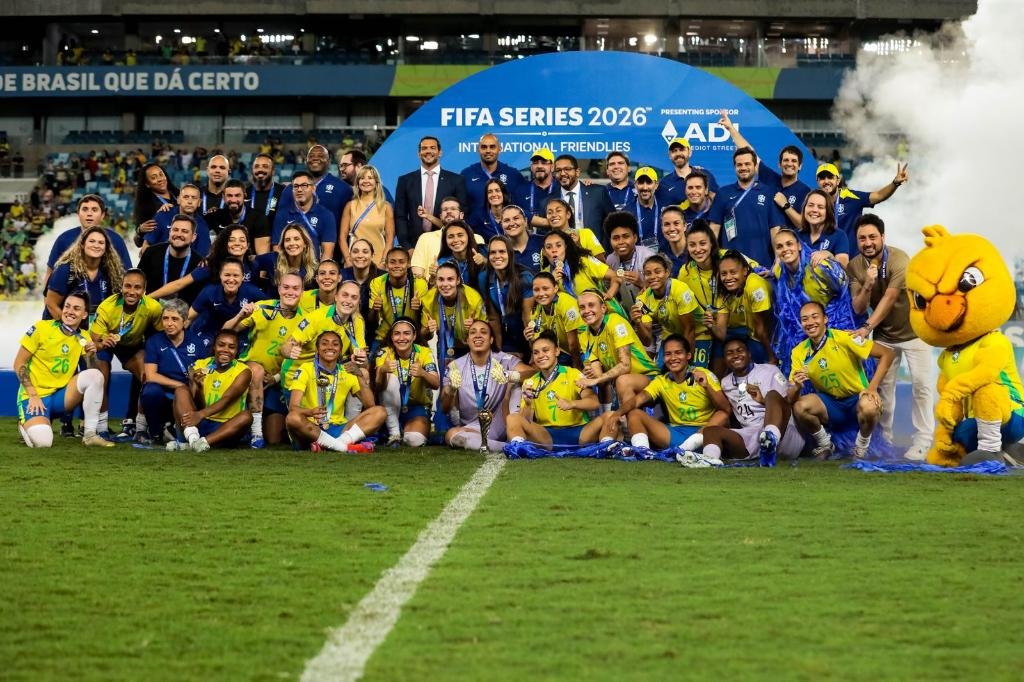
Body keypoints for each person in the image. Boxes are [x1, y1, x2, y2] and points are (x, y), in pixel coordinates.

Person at [848, 214, 935, 460]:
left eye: (872, 237)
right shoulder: (854, 266)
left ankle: (923, 441)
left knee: (922, 385)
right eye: (862, 238)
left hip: (915, 332)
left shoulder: (899, 259)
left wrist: (867, 327)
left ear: (883, 237)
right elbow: (858, 307)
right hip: (885, 335)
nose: (868, 243)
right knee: (884, 389)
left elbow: (889, 298)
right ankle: (884, 440)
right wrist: (867, 284)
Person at [788, 301, 895, 459]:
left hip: (856, 401)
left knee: (870, 405)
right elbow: (791, 399)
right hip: (831, 405)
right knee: (799, 407)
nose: (810, 322)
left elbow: (888, 354)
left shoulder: (846, 338)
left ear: (825, 319)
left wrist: (872, 388)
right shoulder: (798, 352)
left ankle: (861, 447)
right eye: (805, 319)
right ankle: (825, 444)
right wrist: (797, 387)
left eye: (815, 317)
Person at [15, 291, 113, 448]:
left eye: (76, 308)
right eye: (67, 306)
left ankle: (89, 434)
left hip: (61, 397)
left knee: (96, 375)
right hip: (34, 397)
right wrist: (33, 395)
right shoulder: (41, 328)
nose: (70, 311)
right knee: (44, 442)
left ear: (84, 315)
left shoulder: (83, 336)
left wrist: (91, 355)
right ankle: (24, 423)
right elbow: (19, 363)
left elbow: (94, 374)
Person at [224, 272, 309, 448]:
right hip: (249, 370)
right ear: (279, 289)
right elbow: (225, 332)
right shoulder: (262, 308)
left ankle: (255, 428)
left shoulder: (306, 320)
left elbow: (304, 358)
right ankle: (256, 433)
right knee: (257, 370)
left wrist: (275, 378)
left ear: (302, 292)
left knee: (274, 438)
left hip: (277, 380)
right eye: (286, 287)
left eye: (295, 288)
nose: (290, 292)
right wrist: (240, 315)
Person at [604, 335, 730, 451]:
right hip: (676, 432)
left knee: (722, 415)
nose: (673, 358)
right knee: (634, 413)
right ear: (664, 358)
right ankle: (643, 452)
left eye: (678, 353)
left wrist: (707, 386)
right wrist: (617, 413)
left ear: (688, 356)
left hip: (705, 434)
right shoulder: (661, 381)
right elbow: (637, 400)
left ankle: (688, 447)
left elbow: (726, 409)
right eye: (668, 354)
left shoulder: (704, 374)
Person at [700, 336, 806, 464]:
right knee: (710, 431)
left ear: (749, 354)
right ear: (725, 359)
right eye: (729, 353)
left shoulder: (770, 370)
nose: (735, 355)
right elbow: (725, 409)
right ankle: (708, 462)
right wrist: (707, 386)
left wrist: (762, 400)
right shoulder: (726, 383)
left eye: (740, 350)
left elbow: (788, 403)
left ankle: (770, 441)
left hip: (784, 435)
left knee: (772, 395)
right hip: (753, 438)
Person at [770, 227, 856, 378]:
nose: (785, 249)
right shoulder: (779, 271)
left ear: (799, 245)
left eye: (789, 244)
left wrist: (830, 323)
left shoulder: (820, 267)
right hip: (803, 332)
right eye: (779, 246)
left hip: (831, 328)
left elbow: (844, 291)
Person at [88, 268, 163, 441]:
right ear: (121, 287)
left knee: (146, 375)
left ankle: (141, 428)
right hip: (105, 343)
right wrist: (103, 341)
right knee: (100, 377)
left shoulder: (153, 307)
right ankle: (101, 428)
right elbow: (94, 342)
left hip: (132, 346)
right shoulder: (107, 307)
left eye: (137, 287)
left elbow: (161, 336)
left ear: (144, 290)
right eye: (127, 286)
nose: (132, 291)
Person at [442, 319, 534, 451]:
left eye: (483, 332)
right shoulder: (455, 366)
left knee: (516, 384)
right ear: (467, 340)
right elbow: (445, 408)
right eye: (473, 332)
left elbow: (532, 372)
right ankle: (510, 447)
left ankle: (515, 432)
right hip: (474, 427)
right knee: (452, 435)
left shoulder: (503, 359)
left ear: (491, 340)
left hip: (503, 420)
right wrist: (450, 390)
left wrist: (510, 375)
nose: (478, 335)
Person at [285, 330, 384, 452]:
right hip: (312, 428)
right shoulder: (306, 369)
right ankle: (344, 447)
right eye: (324, 343)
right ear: (317, 349)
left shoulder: (347, 371)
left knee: (380, 412)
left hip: (338, 428)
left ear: (340, 350)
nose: (330, 347)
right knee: (292, 418)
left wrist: (359, 375)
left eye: (335, 344)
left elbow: (370, 405)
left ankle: (330, 445)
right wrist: (310, 412)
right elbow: (293, 408)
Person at [506, 331, 609, 448]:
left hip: (580, 433)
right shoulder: (530, 382)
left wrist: (572, 403)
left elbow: (594, 402)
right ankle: (519, 449)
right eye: (536, 352)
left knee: (610, 416)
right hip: (546, 436)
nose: (540, 355)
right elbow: (525, 421)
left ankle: (607, 448)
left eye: (545, 350)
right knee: (512, 418)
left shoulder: (573, 374)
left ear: (557, 351)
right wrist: (528, 404)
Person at [718, 110, 809, 229]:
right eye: (786, 160)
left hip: (788, 240)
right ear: (779, 164)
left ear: (800, 166)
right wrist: (731, 128)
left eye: (794, 161)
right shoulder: (770, 177)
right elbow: (750, 153)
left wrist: (786, 205)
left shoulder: (805, 191)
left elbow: (803, 225)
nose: (789, 164)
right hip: (765, 238)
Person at [139, 298, 212, 445]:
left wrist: (190, 388)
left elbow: (204, 374)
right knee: (149, 391)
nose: (169, 323)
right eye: (165, 318)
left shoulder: (197, 343)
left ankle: (188, 431)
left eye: (174, 319)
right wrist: (179, 385)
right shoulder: (154, 341)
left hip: (190, 394)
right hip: (164, 391)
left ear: (184, 321)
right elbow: (151, 375)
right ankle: (156, 433)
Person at [167, 329, 253, 452]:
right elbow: (198, 405)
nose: (226, 350)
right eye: (221, 345)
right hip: (200, 422)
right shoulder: (199, 365)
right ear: (214, 347)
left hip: (224, 428)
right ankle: (191, 439)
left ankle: (201, 443)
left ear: (236, 351)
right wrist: (199, 388)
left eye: (231, 347)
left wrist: (200, 414)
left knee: (246, 416)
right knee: (181, 390)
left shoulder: (244, 371)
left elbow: (227, 399)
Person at [576, 290, 659, 411]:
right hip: (621, 385)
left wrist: (596, 379)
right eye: (582, 307)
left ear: (603, 308)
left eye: (591, 305)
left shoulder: (615, 322)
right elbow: (599, 376)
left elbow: (625, 366)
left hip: (648, 377)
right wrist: (590, 375)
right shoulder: (584, 336)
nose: (586, 310)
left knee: (622, 380)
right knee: (612, 408)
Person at [708, 146, 788, 267]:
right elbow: (714, 229)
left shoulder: (769, 192)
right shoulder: (723, 193)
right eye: (739, 165)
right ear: (735, 167)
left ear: (755, 166)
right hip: (730, 267)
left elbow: (775, 230)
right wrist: (712, 259)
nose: (743, 168)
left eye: (747, 164)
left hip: (762, 266)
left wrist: (778, 260)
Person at [815, 162, 908, 254]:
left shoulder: (851, 197)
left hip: (853, 259)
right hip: (826, 258)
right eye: (822, 178)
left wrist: (895, 183)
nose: (826, 181)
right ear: (818, 182)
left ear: (838, 180)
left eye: (830, 177)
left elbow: (879, 196)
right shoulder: (813, 203)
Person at [394, 136, 469, 250]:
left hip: (447, 245)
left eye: (432, 148)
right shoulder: (405, 181)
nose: (428, 151)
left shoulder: (456, 180)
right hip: (414, 246)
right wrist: (407, 247)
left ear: (440, 153)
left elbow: (462, 214)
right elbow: (400, 216)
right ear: (419, 154)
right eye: (424, 148)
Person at [375, 317, 439, 447]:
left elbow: (436, 383)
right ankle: (394, 431)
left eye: (406, 333)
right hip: (391, 408)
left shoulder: (424, 352)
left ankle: (403, 431)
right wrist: (382, 370)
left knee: (414, 440)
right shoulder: (384, 352)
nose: (401, 338)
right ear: (392, 336)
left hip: (416, 408)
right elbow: (378, 387)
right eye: (397, 333)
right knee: (390, 377)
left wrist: (423, 373)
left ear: (414, 336)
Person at [147, 224, 255, 300]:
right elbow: (179, 284)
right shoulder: (211, 265)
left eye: (242, 240)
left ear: (248, 245)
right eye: (231, 240)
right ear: (225, 244)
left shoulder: (254, 263)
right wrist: (146, 298)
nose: (237, 243)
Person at [45, 195, 132, 286]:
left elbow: (128, 274)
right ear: (78, 214)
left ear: (102, 215)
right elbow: (50, 273)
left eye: (94, 210)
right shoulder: (63, 239)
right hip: (70, 293)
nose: (89, 213)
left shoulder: (116, 240)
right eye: (85, 209)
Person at [45, 226, 125, 322]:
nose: (96, 245)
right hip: (63, 325)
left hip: (95, 326)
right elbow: (51, 304)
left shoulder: (111, 272)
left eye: (101, 243)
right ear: (82, 244)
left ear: (106, 248)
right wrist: (69, 328)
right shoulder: (65, 269)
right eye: (92, 241)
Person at [675, 221, 725, 369]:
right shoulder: (685, 272)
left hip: (731, 327)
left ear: (712, 244)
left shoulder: (727, 258)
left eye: (702, 243)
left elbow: (752, 269)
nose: (698, 249)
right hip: (703, 331)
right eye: (692, 245)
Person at [713, 250, 776, 364]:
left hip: (773, 332)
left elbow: (761, 328)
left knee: (757, 353)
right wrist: (711, 325)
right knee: (721, 346)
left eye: (733, 272)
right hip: (750, 332)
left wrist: (772, 357)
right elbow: (721, 333)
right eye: (724, 274)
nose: (728, 278)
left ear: (745, 270)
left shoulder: (754, 286)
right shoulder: (723, 290)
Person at [541, 230, 621, 315]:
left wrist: (609, 294)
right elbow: (544, 303)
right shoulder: (545, 275)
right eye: (549, 247)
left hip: (603, 314)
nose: (554, 250)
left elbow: (615, 276)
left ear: (566, 247)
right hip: (574, 318)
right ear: (544, 252)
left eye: (558, 245)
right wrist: (551, 283)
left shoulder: (583, 261)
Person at [632, 254, 697, 359]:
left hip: (698, 334)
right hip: (670, 336)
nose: (653, 277)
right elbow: (647, 341)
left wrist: (685, 360)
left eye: (658, 272)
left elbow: (689, 329)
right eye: (648, 273)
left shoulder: (680, 290)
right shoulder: (642, 300)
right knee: (661, 369)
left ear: (667, 272)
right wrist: (638, 322)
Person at [460, 133, 525, 237]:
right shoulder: (466, 174)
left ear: (500, 149)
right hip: (476, 237)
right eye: (484, 147)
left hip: (509, 236)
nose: (488, 150)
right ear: (478, 149)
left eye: (492, 147)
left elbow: (522, 207)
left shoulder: (513, 175)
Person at [421, 261, 487, 363]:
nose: (445, 284)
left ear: (458, 280)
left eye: (450, 279)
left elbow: (486, 332)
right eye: (441, 279)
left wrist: (475, 326)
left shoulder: (473, 299)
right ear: (436, 281)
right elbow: (424, 336)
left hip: (470, 346)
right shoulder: (429, 299)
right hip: (444, 346)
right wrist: (427, 329)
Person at [543, 154, 614, 248]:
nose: (562, 173)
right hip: (563, 253)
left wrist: (605, 250)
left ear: (577, 172)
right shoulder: (547, 201)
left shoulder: (598, 193)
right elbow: (544, 235)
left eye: (567, 169)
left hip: (595, 253)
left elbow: (613, 224)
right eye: (558, 170)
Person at [479, 235, 534, 357]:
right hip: (506, 338)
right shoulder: (484, 277)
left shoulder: (525, 277)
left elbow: (527, 318)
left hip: (528, 334)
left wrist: (534, 351)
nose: (497, 256)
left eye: (502, 252)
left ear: (510, 254)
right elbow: (493, 317)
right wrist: (499, 353)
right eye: (493, 252)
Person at [275, 144, 353, 227]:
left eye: (321, 156)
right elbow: (280, 221)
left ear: (329, 161)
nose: (315, 158)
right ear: (306, 161)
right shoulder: (290, 189)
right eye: (311, 156)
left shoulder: (343, 188)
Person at [368, 247, 428, 353]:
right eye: (392, 262)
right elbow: (371, 321)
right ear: (386, 264)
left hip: (411, 339)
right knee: (371, 362)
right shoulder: (377, 283)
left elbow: (425, 328)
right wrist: (375, 309)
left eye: (401, 262)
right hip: (384, 338)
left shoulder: (420, 284)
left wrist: (418, 308)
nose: (397, 265)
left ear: (408, 264)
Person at [188, 258, 265, 339]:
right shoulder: (209, 291)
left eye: (236, 275)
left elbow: (271, 305)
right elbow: (189, 318)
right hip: (207, 332)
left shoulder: (252, 292)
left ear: (243, 277)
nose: (231, 280)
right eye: (227, 275)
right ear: (220, 275)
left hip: (237, 333)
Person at [270, 170, 337, 259]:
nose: (299, 189)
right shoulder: (282, 215)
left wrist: (320, 268)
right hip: (288, 266)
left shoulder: (326, 215)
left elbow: (327, 252)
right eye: (296, 186)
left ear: (313, 188)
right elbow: (277, 249)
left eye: (304, 185)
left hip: (315, 266)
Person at [339, 165, 395, 269]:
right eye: (362, 178)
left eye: (370, 178)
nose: (366, 181)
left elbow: (390, 239)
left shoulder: (386, 207)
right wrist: (347, 259)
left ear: (376, 182)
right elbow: (342, 237)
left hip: (378, 261)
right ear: (357, 182)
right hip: (355, 260)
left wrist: (383, 262)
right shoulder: (350, 206)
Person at [525, 272, 585, 367]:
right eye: (536, 290)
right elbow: (542, 342)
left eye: (545, 289)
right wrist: (532, 338)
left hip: (583, 351)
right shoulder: (537, 310)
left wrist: (576, 368)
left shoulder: (566, 303)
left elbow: (573, 344)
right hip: (564, 352)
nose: (541, 294)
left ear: (555, 288)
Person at [410, 197, 475, 278]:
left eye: (453, 209)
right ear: (440, 216)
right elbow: (417, 274)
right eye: (445, 209)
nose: (449, 211)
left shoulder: (476, 238)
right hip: (430, 285)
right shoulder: (425, 238)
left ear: (461, 215)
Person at [604, 211, 655, 313]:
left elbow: (663, 290)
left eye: (626, 236)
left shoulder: (648, 257)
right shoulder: (610, 260)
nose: (621, 242)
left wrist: (641, 283)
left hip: (653, 313)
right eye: (616, 238)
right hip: (628, 315)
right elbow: (609, 291)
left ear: (635, 238)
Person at [145, 184, 212, 256]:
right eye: (186, 197)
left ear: (199, 202)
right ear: (178, 200)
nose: (190, 201)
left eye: (194, 198)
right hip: (159, 260)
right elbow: (146, 245)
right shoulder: (162, 215)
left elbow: (202, 256)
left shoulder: (202, 225)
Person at [252, 224, 318, 296]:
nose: (291, 243)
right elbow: (252, 261)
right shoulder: (273, 259)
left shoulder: (314, 269)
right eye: (287, 240)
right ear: (283, 245)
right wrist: (257, 286)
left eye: (296, 239)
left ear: (305, 244)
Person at [339, 238, 381, 341]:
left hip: (376, 332)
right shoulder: (340, 275)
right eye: (355, 251)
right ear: (350, 255)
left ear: (372, 255)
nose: (360, 255)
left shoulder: (382, 277)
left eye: (365, 252)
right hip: (346, 331)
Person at [656, 137, 720, 205]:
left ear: (690, 152)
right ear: (669, 155)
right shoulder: (664, 184)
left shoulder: (706, 175)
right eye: (674, 151)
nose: (678, 153)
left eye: (682, 149)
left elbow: (718, 201)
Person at [797, 189, 849, 268]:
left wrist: (829, 255)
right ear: (804, 208)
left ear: (828, 212)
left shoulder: (839, 235)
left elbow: (844, 266)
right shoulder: (795, 235)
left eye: (820, 207)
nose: (814, 210)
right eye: (810, 205)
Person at [133, 162, 180, 249]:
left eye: (161, 174)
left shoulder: (180, 195)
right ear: (147, 184)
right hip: (162, 251)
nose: (160, 179)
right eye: (154, 178)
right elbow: (138, 243)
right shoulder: (145, 206)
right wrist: (140, 231)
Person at [209, 179, 269, 246]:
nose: (233, 200)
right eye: (229, 195)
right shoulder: (215, 217)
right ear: (223, 197)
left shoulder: (258, 218)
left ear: (245, 196)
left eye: (237, 195)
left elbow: (262, 252)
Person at [514, 147, 557, 230]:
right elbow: (516, 214)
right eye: (535, 163)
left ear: (552, 167)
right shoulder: (520, 191)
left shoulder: (561, 188)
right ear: (531, 167)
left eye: (544, 163)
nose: (539, 166)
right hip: (530, 237)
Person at [435, 220, 487, 287]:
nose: (456, 240)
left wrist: (485, 261)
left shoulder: (483, 251)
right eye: (451, 237)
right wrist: (432, 279)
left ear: (468, 236)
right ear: (445, 240)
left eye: (460, 235)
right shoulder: (442, 262)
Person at [500, 204, 544, 273]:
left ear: (525, 221)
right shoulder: (500, 250)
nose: (511, 223)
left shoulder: (543, 242)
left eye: (516, 218)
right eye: (506, 220)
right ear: (501, 225)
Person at [245, 152, 285, 223]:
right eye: (256, 166)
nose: (260, 169)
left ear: (273, 171)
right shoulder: (244, 194)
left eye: (265, 166)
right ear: (252, 171)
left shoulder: (283, 192)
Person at [627, 167, 660, 247]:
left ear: (656, 185)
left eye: (649, 183)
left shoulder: (665, 208)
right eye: (641, 183)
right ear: (635, 185)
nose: (645, 188)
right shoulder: (627, 213)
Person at [659, 205, 690, 277]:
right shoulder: (661, 253)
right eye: (667, 224)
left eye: (676, 223)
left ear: (685, 226)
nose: (672, 229)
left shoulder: (695, 249)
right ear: (662, 228)